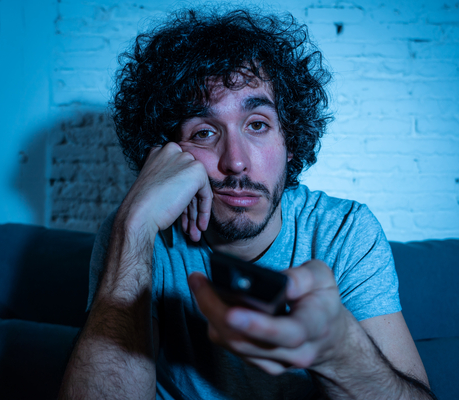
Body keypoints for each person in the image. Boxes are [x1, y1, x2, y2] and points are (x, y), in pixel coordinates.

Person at [59, 8, 435, 400]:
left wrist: (337, 351)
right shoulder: (137, 236)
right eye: (204, 132)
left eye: (257, 124)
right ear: (167, 156)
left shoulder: (343, 232)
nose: (235, 160)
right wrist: (133, 226)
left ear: (290, 141)